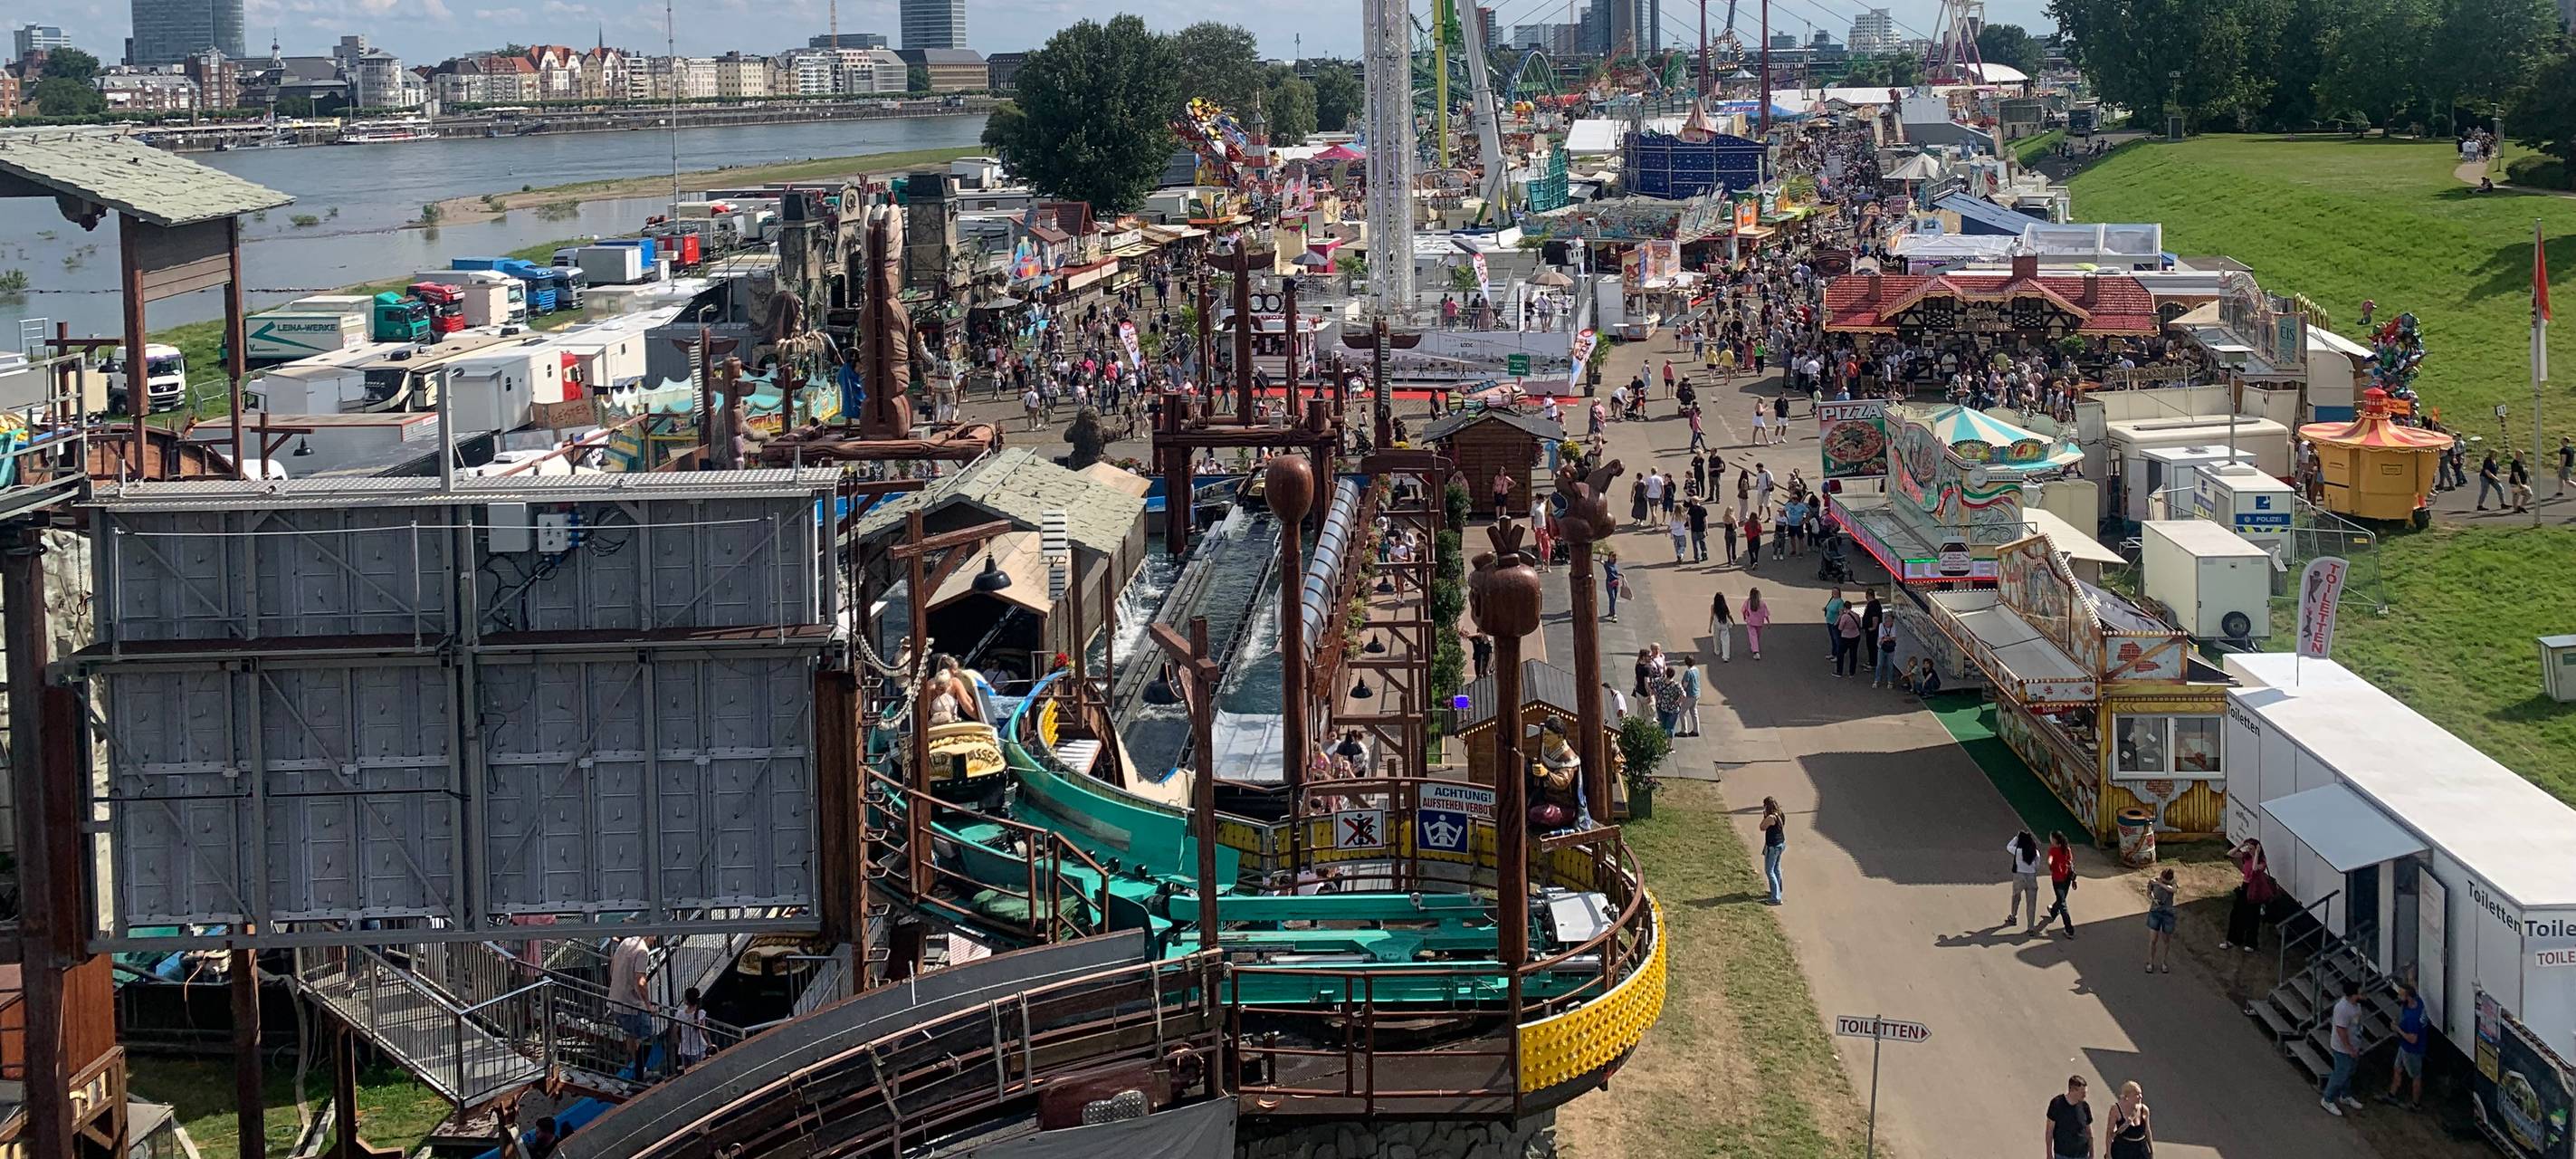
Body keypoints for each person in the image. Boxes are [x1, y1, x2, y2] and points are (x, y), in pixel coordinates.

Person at [609, 933, 657, 1078]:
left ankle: (638, 1068)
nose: (655, 939)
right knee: (647, 1036)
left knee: (632, 1035)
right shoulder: (642, 951)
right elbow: (640, 981)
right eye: (654, 936)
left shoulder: (626, 942)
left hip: (615, 1000)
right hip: (631, 1005)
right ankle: (640, 1073)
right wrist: (648, 1006)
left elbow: (612, 966)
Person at [2322, 980, 2365, 1115]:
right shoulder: (2343, 1008)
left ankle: (2345, 1096)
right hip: (2343, 1049)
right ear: (2353, 995)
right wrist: (2349, 1049)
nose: (2363, 994)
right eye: (2360, 992)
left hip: (2354, 1045)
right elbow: (2341, 1030)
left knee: (2350, 1072)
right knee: (2340, 1074)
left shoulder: (2356, 1005)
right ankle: (2327, 1099)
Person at [2222, 838, 2272, 951]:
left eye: (2251, 848)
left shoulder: (2262, 861)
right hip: (2245, 886)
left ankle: (2251, 943)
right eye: (2248, 848)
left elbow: (2255, 869)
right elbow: (2230, 854)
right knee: (2236, 913)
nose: (2249, 850)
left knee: (2252, 916)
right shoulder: (2246, 856)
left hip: (2254, 889)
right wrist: (2241, 845)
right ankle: (2233, 939)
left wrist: (2256, 854)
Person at [2384, 982, 2428, 1109]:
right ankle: (2391, 1094)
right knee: (2397, 1068)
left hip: (2412, 1050)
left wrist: (2397, 1029)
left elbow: (2413, 1039)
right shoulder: (2418, 1002)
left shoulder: (2412, 1018)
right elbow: (2413, 983)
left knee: (2416, 1077)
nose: (2398, 996)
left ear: (2408, 997)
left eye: (2401, 995)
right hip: (2404, 1047)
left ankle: (2415, 1104)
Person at [2037, 831, 2078, 938]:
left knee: (2062, 903)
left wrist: (2050, 863)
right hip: (2067, 878)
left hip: (2057, 879)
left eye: (2051, 838)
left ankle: (2069, 929)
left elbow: (2050, 860)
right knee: (2061, 899)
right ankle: (2054, 911)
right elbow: (2070, 862)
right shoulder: (2067, 849)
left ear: (2055, 840)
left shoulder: (2053, 850)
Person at [2046, 1076, 2094, 1159]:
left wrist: (2092, 1154)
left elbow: (2089, 1132)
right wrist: (2049, 1154)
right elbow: (2049, 1132)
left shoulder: (2084, 1106)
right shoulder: (2057, 1104)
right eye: (2082, 1092)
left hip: (2082, 1155)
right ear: (2073, 1090)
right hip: (2062, 1154)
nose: (2085, 1095)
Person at [2006, 830, 2043, 929]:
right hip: (2031, 877)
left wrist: (2016, 837)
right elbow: (2037, 866)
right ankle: (2030, 927)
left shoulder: (2018, 851)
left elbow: (2008, 846)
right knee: (2031, 904)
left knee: (2016, 896)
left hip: (2019, 876)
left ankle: (2013, 915)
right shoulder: (2035, 852)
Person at [2105, 1082, 2151, 1159]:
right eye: (2137, 1094)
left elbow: (2147, 1131)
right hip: (2122, 1150)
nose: (2140, 1097)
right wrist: (2108, 1154)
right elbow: (2109, 1134)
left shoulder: (2144, 1110)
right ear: (2127, 1096)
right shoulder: (2116, 1110)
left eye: (2140, 1093)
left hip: (2140, 1150)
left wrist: (2151, 1151)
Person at [2145, 867, 2178, 973]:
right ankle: (2150, 962)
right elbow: (2148, 893)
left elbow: (2173, 890)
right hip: (2155, 912)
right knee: (2153, 940)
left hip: (2168, 914)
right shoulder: (2153, 881)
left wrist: (2160, 884)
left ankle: (2164, 962)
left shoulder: (2172, 882)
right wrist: (2153, 899)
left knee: (2166, 940)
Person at [674, 985, 711, 1071]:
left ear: (686, 1000)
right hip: (698, 1047)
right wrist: (709, 1043)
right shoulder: (700, 1013)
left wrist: (679, 1044)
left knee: (687, 1071)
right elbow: (704, 1031)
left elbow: (675, 1031)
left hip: (685, 1047)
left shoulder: (680, 1014)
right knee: (700, 1070)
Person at [1759, 796, 1787, 905]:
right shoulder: (1780, 814)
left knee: (1769, 870)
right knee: (1776, 868)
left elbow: (1762, 827)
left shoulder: (1771, 817)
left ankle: (1776, 898)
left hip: (1773, 846)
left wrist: (1765, 816)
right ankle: (1778, 890)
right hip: (1780, 844)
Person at [1833, 600, 1865, 677]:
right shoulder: (1856, 615)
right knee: (1853, 654)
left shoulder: (1845, 616)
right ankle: (1852, 672)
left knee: (1841, 654)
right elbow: (1859, 625)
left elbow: (1840, 628)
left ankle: (1839, 672)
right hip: (1856, 636)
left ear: (1844, 607)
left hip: (1846, 637)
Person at [1741, 588, 1771, 658]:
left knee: (1753, 636)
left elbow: (1743, 610)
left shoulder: (1748, 602)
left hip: (1750, 622)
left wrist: (1744, 617)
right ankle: (1755, 647)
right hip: (1759, 623)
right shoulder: (1762, 603)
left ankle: (1756, 651)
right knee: (1757, 636)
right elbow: (1766, 614)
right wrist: (1768, 622)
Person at [1677, 656, 1703, 735]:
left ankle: (1684, 730)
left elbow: (1685, 685)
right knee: (1694, 712)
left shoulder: (1688, 672)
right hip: (1697, 694)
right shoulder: (1696, 670)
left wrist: (1681, 692)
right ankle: (1696, 730)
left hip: (1690, 695)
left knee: (1682, 712)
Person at [1708, 591, 1736, 662]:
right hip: (1724, 624)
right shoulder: (1725, 606)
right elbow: (1729, 615)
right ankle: (1726, 656)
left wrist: (1710, 627)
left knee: (1716, 637)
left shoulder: (1713, 607)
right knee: (1725, 640)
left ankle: (1717, 650)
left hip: (1716, 624)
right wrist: (1733, 622)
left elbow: (1712, 617)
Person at [1602, 549, 1625, 622]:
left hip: (1616, 583)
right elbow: (1600, 561)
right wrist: (1601, 554)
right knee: (1612, 597)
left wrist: (1621, 574)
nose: (1613, 557)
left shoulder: (1615, 564)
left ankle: (1611, 611)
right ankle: (1614, 615)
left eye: (1614, 556)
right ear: (1609, 556)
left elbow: (1615, 573)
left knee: (1613, 599)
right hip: (1609, 583)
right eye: (1612, 556)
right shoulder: (1606, 564)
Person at [1686, 495, 1710, 561]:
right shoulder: (1703, 509)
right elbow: (1705, 520)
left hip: (1694, 528)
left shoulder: (1691, 509)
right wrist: (1707, 529)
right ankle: (1704, 553)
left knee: (1695, 543)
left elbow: (1688, 518)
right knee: (1702, 542)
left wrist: (1690, 526)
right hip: (1701, 528)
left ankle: (1697, 557)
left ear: (1693, 502)